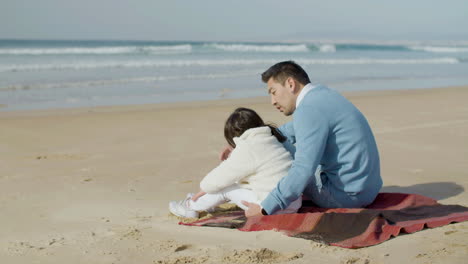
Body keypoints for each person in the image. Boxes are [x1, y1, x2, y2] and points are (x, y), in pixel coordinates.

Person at [222, 61, 383, 217]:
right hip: (368, 190)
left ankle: (255, 184)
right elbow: (291, 130)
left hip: (345, 197)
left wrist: (266, 207)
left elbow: (303, 169)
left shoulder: (308, 110)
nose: (273, 101)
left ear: (290, 84)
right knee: (277, 142)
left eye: (273, 92)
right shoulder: (323, 96)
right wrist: (247, 143)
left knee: (279, 149)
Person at [169, 107, 302, 218]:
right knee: (238, 182)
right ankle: (207, 202)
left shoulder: (248, 148)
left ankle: (191, 206)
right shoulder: (271, 139)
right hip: (293, 202)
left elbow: (218, 178)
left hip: (272, 208)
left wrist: (201, 191)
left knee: (226, 187)